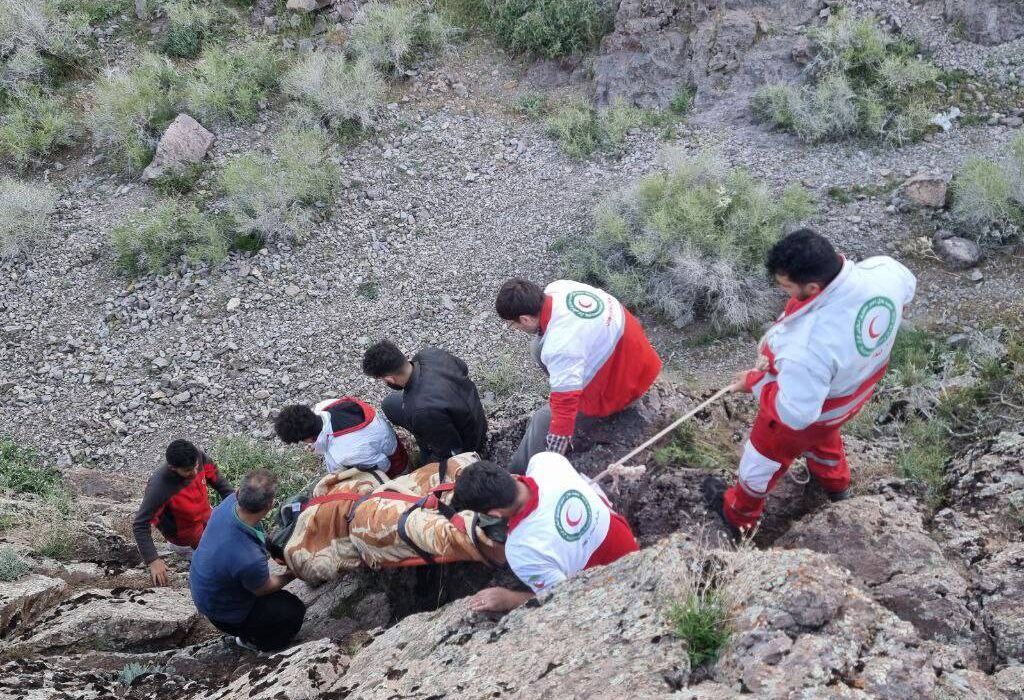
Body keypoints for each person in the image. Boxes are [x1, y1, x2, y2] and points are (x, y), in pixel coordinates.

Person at [703, 229, 917, 533]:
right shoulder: (885, 272)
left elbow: (797, 414)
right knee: (824, 436)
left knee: (759, 464)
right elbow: (908, 288)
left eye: (787, 287)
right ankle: (835, 485)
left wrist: (756, 381)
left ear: (814, 287)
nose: (783, 292)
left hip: (809, 412)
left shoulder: (808, 345)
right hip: (850, 394)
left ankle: (739, 517)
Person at [495, 278, 662, 473]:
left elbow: (564, 412)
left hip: (628, 387)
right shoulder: (559, 288)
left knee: (541, 420)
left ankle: (515, 477)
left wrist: (552, 458)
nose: (516, 329)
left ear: (525, 319)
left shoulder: (560, 345)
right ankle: (565, 381)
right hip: (641, 360)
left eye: (513, 325)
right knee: (537, 347)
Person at [452, 453, 638, 612]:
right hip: (627, 543)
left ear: (494, 513)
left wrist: (508, 598)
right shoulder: (546, 462)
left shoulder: (520, 550)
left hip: (609, 584)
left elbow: (562, 598)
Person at [189, 469, 306, 652]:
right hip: (225, 614)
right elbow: (263, 589)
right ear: (270, 505)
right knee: (292, 611)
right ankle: (260, 645)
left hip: (204, 594)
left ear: (237, 493)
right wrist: (294, 573)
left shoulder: (228, 504)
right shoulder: (248, 558)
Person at [362, 341, 487, 464]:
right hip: (473, 415)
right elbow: (463, 368)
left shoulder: (420, 410)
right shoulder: (430, 354)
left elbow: (450, 452)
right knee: (390, 404)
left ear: (389, 379)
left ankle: (425, 450)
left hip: (469, 444)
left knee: (426, 463)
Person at [132, 439, 233, 587]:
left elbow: (220, 483)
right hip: (185, 538)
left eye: (195, 467)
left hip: (207, 520)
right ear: (173, 468)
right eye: (187, 471)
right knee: (221, 567)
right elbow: (140, 525)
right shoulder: (160, 487)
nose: (194, 472)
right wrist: (153, 560)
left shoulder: (198, 457)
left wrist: (237, 505)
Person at [274, 396, 408, 479]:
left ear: (308, 438)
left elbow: (383, 467)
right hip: (382, 441)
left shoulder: (345, 453)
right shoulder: (325, 406)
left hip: (396, 467)